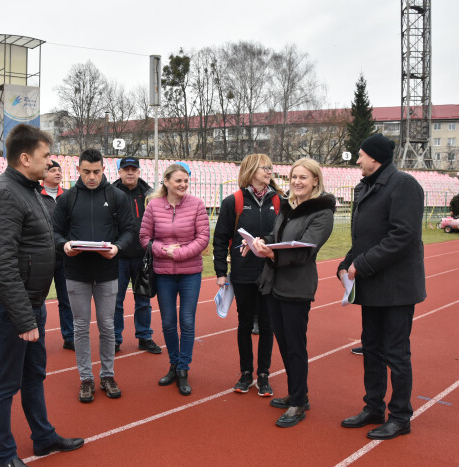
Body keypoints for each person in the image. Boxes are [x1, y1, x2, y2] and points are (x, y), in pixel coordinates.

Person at [0, 124, 84, 467]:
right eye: (45, 156)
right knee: (5, 383)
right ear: (25, 158)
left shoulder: (29, 190)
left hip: (31, 303)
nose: (50, 162)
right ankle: (3, 455)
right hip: (10, 306)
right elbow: (2, 263)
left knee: (34, 375)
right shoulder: (5, 193)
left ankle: (42, 436)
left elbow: (39, 242)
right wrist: (23, 317)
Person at [338, 133, 426, 440]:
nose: (357, 159)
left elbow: (403, 237)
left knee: (396, 353)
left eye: (361, 155)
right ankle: (373, 407)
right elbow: (362, 238)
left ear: (375, 157)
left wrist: (361, 264)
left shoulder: (404, 186)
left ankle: (400, 416)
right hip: (372, 285)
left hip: (397, 287)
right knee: (372, 349)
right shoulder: (364, 187)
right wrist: (345, 263)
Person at [249, 158, 335, 428]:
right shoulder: (287, 206)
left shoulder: (322, 213)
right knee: (284, 343)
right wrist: (261, 242)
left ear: (315, 181)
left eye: (303, 177)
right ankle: (299, 394)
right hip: (274, 283)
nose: (297, 182)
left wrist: (272, 252)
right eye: (294, 176)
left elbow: (306, 249)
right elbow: (279, 237)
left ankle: (298, 403)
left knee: (295, 346)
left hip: (296, 286)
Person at [53, 149, 135, 403]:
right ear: (78, 170)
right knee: (80, 326)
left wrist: (118, 247)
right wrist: (64, 245)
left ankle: (108, 375)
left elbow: (130, 230)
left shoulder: (117, 196)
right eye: (87, 171)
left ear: (103, 170)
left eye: (96, 172)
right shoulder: (67, 199)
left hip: (108, 272)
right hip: (76, 272)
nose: (92, 177)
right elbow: (54, 232)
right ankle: (86, 378)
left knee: (107, 326)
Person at [213, 153, 282, 396]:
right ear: (251, 170)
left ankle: (263, 374)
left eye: (271, 168)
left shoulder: (280, 201)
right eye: (264, 167)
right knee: (244, 323)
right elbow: (220, 238)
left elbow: (285, 236)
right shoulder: (234, 201)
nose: (269, 171)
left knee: (267, 324)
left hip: (272, 273)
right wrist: (221, 271)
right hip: (243, 274)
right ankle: (245, 373)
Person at [139, 163, 210, 396]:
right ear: (166, 182)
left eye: (186, 181)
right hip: (163, 274)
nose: (183, 185)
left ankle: (183, 369)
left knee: (187, 322)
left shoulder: (197, 205)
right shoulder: (154, 206)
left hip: (190, 273)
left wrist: (179, 253)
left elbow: (202, 238)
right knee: (168, 322)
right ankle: (173, 363)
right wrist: (164, 251)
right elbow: (145, 238)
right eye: (178, 181)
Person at [112, 156, 161, 355]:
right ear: (120, 172)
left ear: (139, 171)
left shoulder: (150, 194)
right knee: (115, 300)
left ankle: (144, 336)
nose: (130, 172)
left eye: (134, 169)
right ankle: (114, 338)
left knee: (143, 298)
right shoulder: (111, 193)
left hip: (143, 256)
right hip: (118, 256)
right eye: (126, 169)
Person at [40, 160, 74, 351]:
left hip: (65, 256)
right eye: (52, 170)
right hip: (43, 257)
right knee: (38, 300)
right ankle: (37, 337)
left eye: (59, 170)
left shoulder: (69, 195)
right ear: (44, 174)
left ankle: (69, 337)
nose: (57, 173)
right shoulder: (35, 195)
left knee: (66, 300)